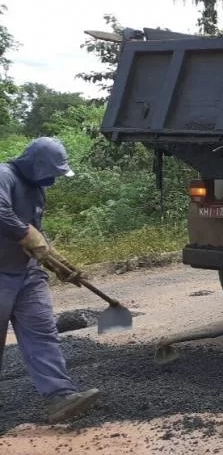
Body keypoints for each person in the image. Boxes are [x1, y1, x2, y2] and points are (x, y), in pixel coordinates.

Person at [0, 137, 101, 423]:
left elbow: (36, 233)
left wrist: (55, 260)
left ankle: (60, 397)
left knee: (42, 333)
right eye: (51, 172)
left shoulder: (36, 190)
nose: (52, 178)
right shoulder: (4, 176)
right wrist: (24, 234)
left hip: (28, 275)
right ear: (36, 164)